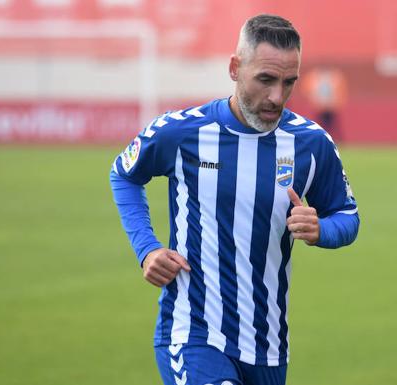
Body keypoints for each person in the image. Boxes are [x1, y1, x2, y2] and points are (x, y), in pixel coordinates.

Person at [110, 14, 359, 385]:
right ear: (234, 68)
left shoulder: (311, 144)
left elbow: (347, 216)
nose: (277, 96)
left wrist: (322, 228)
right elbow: (124, 174)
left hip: (268, 346)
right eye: (265, 80)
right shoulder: (182, 132)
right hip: (194, 334)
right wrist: (147, 248)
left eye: (288, 82)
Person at [301, 66, 348, 142]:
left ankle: (335, 140)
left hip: (330, 107)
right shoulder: (328, 80)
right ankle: (328, 140)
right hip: (323, 107)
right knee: (323, 125)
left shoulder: (332, 80)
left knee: (331, 125)